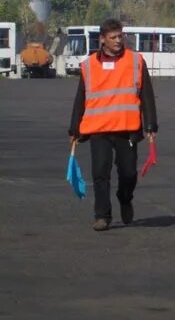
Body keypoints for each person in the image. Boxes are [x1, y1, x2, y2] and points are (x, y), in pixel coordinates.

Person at [68, 18, 159, 231]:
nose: (118, 41)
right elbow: (80, 98)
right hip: (98, 129)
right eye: (113, 37)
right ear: (102, 39)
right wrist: (74, 128)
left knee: (128, 173)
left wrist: (150, 124)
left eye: (121, 36)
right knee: (100, 173)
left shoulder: (135, 61)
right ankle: (102, 216)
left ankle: (125, 198)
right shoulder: (89, 65)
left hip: (127, 129)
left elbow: (147, 95)